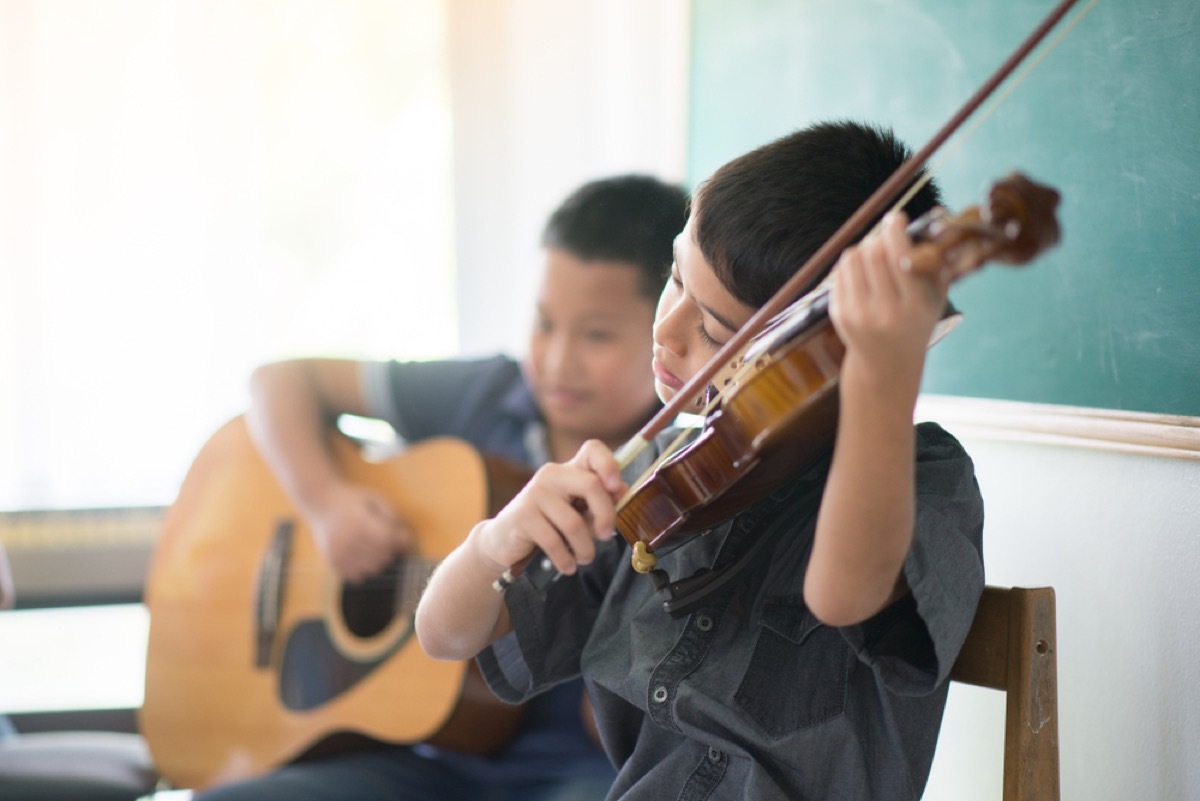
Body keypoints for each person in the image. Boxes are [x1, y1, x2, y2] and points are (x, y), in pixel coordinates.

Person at [415, 121, 987, 801]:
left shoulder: (923, 477)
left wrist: (884, 379)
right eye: (674, 277)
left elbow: (844, 593)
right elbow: (445, 632)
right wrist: (492, 542)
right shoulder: (654, 483)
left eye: (714, 328)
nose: (664, 330)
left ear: (828, 355)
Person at [200, 174, 689, 801]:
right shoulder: (484, 392)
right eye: (543, 324)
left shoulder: (678, 470)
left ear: (663, 329)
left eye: (595, 335)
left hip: (576, 770)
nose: (557, 359)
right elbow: (277, 382)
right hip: (417, 761)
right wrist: (326, 505)